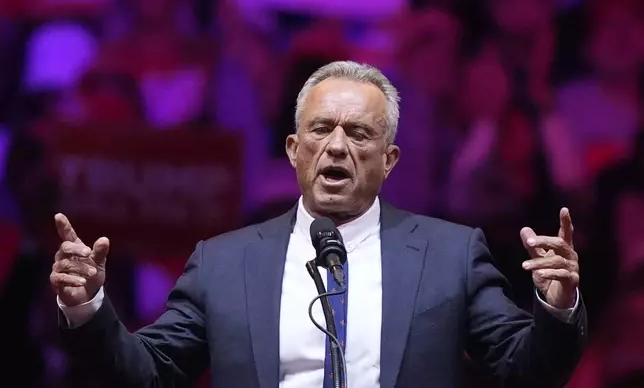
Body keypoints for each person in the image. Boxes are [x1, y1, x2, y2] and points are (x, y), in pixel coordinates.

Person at [51, 61, 586, 388]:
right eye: (321, 130)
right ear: (293, 150)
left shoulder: (452, 255)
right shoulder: (223, 261)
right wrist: (87, 306)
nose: (336, 146)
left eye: (358, 133)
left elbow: (524, 372)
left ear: (391, 159)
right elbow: (149, 374)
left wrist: (557, 307)